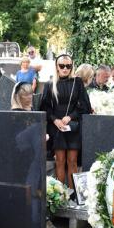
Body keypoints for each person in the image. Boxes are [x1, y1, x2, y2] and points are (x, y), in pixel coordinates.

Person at [39, 54, 88, 190]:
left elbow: (84, 105)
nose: (65, 69)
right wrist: (55, 120)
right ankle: (61, 195)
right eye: (62, 66)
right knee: (59, 161)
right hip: (57, 126)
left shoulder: (77, 82)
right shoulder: (50, 84)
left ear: (72, 67)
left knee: (72, 162)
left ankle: (72, 194)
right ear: (57, 67)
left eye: (68, 66)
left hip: (72, 126)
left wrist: (70, 117)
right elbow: (45, 107)